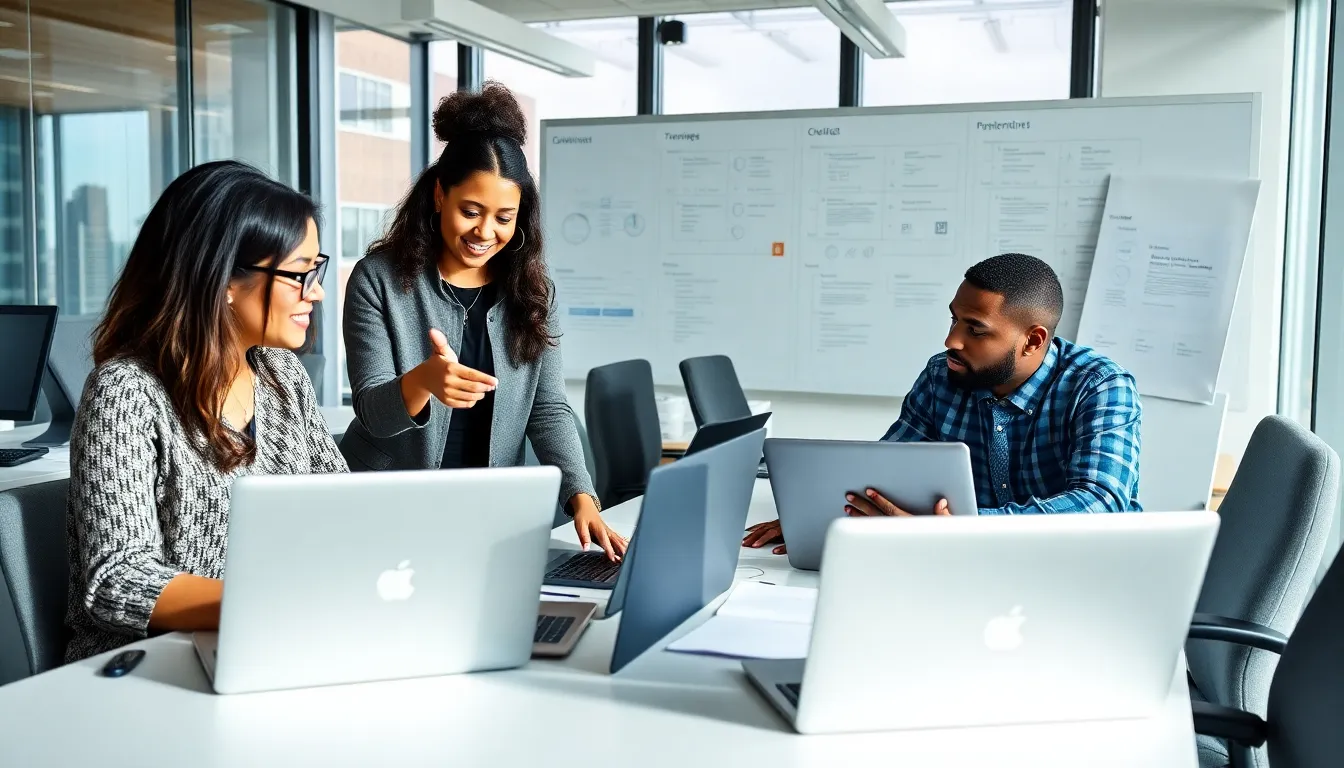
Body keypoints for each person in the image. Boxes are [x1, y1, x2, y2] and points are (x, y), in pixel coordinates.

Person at [64, 160, 347, 662]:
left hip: (271, 643)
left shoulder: (283, 375)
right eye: (301, 274)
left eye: (315, 270)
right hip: (145, 667)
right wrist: (273, 603)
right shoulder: (126, 392)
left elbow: (342, 509)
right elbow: (117, 577)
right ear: (224, 282)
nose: (317, 292)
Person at [340, 82, 625, 561]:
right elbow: (372, 411)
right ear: (438, 195)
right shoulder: (379, 280)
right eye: (470, 212)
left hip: (487, 511)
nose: (485, 232)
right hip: (386, 508)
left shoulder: (532, 291)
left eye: (503, 217)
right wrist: (424, 381)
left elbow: (548, 408)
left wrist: (581, 494)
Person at [744, 252, 1142, 554]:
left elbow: (1101, 504)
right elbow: (885, 466)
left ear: (1033, 341)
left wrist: (959, 526)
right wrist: (819, 511)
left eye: (976, 329)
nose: (952, 340)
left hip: (1076, 570)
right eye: (954, 320)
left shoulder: (1100, 386)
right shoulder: (943, 375)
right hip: (962, 564)